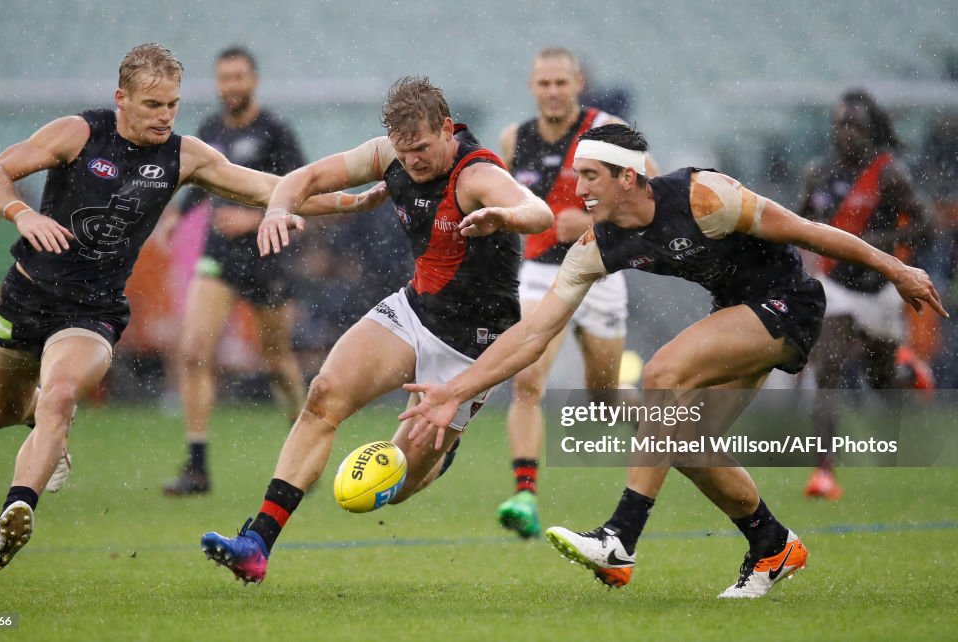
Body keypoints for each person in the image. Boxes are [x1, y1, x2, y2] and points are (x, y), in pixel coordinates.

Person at [401, 123, 945, 598]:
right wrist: (454, 390)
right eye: (577, 176)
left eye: (591, 176)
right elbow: (533, 334)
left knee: (660, 373)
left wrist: (895, 270)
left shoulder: (704, 195)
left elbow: (809, 232)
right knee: (678, 442)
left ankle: (621, 537)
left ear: (629, 177)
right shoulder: (596, 247)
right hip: (736, 314)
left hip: (788, 303)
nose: (578, 188)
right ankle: (772, 545)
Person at [0, 43, 385, 571]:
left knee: (60, 395)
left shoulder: (186, 154)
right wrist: (21, 213)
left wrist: (352, 201)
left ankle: (17, 509)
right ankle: (42, 430)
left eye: (172, 105)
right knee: (1, 414)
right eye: (152, 106)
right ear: (121, 99)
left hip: (91, 313)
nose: (165, 116)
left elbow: (270, 189)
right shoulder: (77, 133)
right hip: (27, 297)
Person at [200, 76, 553, 585]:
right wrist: (278, 208)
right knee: (323, 395)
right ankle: (256, 544)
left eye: (423, 149)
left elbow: (536, 210)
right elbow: (304, 178)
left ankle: (442, 453)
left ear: (448, 129)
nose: (412, 162)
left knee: (398, 483)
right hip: (413, 312)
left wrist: (505, 216)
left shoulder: (476, 175)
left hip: (472, 346)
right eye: (404, 151)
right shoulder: (389, 152)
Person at [495, 47, 658, 538]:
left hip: (601, 269)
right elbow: (502, 203)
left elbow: (652, 197)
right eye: (543, 83)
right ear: (532, 86)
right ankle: (524, 495)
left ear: (578, 84)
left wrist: (589, 219)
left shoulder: (608, 131)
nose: (552, 91)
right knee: (527, 380)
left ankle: (675, 436)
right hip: (542, 275)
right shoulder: (513, 140)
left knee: (605, 396)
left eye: (560, 83)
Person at [162, 46, 308, 496]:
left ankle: (304, 444)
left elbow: (301, 192)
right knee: (193, 352)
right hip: (220, 257)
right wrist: (175, 215)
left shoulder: (276, 132)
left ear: (254, 80)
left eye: (239, 77)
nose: (232, 86)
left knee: (277, 359)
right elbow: (201, 183)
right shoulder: (210, 130)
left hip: (267, 257)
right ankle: (197, 465)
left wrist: (253, 217)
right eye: (224, 78)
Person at [798, 89, 931, 500]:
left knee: (881, 382)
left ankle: (907, 370)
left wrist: (880, 240)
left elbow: (925, 225)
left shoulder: (890, 174)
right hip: (836, 288)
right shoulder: (818, 173)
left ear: (872, 130)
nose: (847, 132)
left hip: (879, 291)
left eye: (855, 125)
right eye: (841, 124)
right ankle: (824, 472)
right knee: (829, 370)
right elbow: (796, 219)